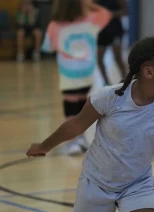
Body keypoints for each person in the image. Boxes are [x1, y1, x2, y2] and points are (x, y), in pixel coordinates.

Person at [26, 36, 154, 212]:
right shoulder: (109, 97)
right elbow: (76, 125)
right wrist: (44, 146)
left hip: (137, 184)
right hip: (96, 182)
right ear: (148, 72)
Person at [40, 0, 112, 155]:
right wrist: (90, 5)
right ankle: (80, 139)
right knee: (80, 105)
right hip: (86, 71)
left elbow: (48, 46)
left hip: (68, 73)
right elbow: (107, 14)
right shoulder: (91, 20)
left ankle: (75, 141)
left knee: (71, 108)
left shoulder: (55, 25)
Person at [96, 0, 128, 85]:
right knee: (99, 59)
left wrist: (111, 14)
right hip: (101, 31)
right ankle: (106, 83)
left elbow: (126, 11)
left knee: (118, 58)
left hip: (115, 30)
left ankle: (126, 82)